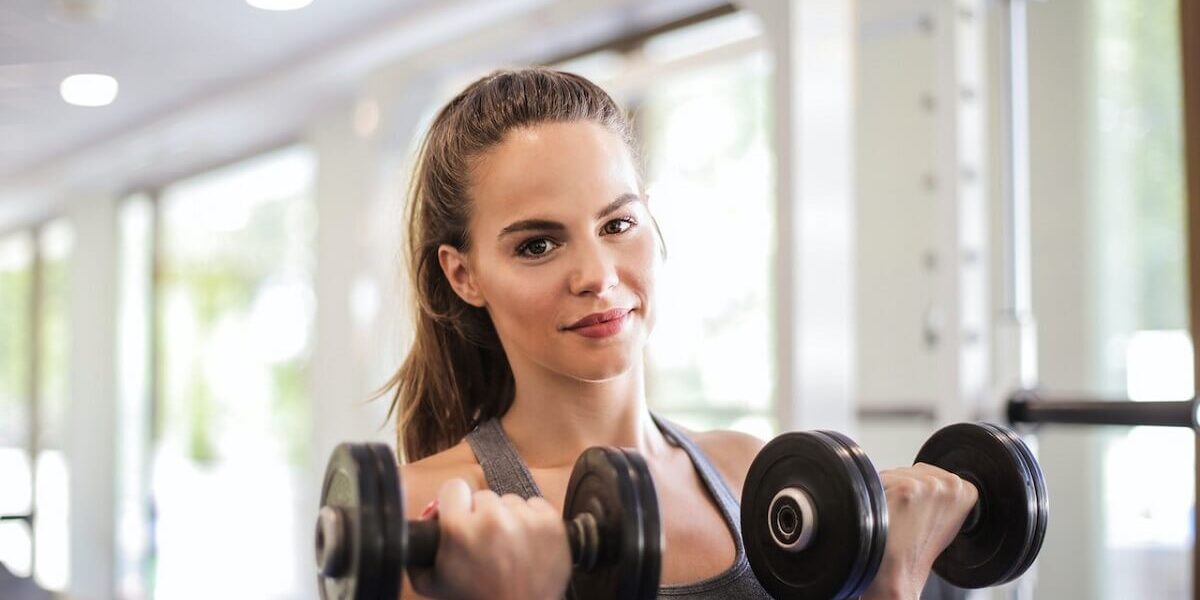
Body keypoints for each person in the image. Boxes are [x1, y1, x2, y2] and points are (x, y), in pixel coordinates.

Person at [379, 67, 978, 600]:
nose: (598, 276)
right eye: (538, 245)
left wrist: (888, 584)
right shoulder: (422, 517)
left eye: (617, 223)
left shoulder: (754, 476)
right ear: (463, 275)